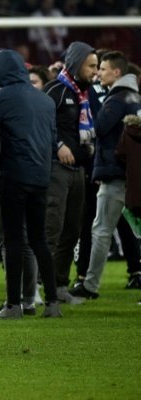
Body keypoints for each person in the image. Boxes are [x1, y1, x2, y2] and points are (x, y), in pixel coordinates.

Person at [0, 49, 62, 318]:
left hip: (14, 176)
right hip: (42, 177)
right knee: (39, 239)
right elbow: (52, 142)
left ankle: (13, 304)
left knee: (15, 239)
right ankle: (52, 302)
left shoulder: (1, 99)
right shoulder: (44, 101)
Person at [71, 52, 140, 299]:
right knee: (134, 228)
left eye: (103, 68)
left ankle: (89, 285)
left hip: (116, 175)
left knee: (100, 229)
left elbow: (99, 128)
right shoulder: (135, 96)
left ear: (117, 72)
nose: (99, 73)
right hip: (134, 175)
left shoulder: (115, 100)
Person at [43, 41, 98, 303]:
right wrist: (59, 145)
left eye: (97, 66)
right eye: (91, 66)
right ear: (76, 64)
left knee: (72, 230)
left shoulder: (86, 94)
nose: (95, 71)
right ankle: (36, 288)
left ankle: (59, 285)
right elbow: (42, 123)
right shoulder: (54, 89)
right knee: (52, 228)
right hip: (56, 170)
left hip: (78, 170)